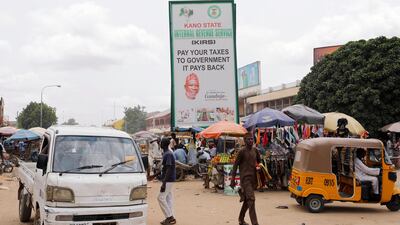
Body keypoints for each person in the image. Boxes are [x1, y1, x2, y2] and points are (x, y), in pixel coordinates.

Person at [230, 133, 261, 225]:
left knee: (248, 201)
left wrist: (258, 167)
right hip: (245, 180)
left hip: (253, 179)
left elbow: (259, 162)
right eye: (249, 139)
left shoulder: (255, 150)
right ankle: (255, 223)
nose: (251, 141)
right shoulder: (241, 152)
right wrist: (232, 180)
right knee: (251, 199)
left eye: (252, 139)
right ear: (245, 141)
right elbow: (235, 166)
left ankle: (241, 219)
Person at [158, 137, 177, 225]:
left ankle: (170, 217)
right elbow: (164, 168)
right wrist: (154, 176)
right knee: (168, 198)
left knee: (160, 198)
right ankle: (169, 217)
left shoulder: (168, 154)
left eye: (161, 142)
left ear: (164, 144)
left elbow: (169, 168)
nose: (160, 144)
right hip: (168, 179)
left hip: (168, 180)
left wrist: (164, 184)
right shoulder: (166, 153)